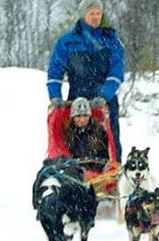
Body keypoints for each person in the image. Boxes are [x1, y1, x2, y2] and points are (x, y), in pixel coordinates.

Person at [47, 0, 125, 153]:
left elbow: (117, 71)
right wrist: (55, 97)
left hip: (104, 101)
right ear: (83, 15)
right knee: (74, 142)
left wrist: (104, 96)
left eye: (98, 13)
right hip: (76, 99)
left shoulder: (111, 41)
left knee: (109, 142)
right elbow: (55, 72)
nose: (96, 17)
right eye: (91, 14)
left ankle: (112, 167)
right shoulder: (67, 42)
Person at [63, 97, 111, 165]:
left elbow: (104, 156)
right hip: (74, 167)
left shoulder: (99, 131)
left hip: (96, 167)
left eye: (85, 115)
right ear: (73, 117)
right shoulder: (68, 132)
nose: (82, 120)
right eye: (78, 116)